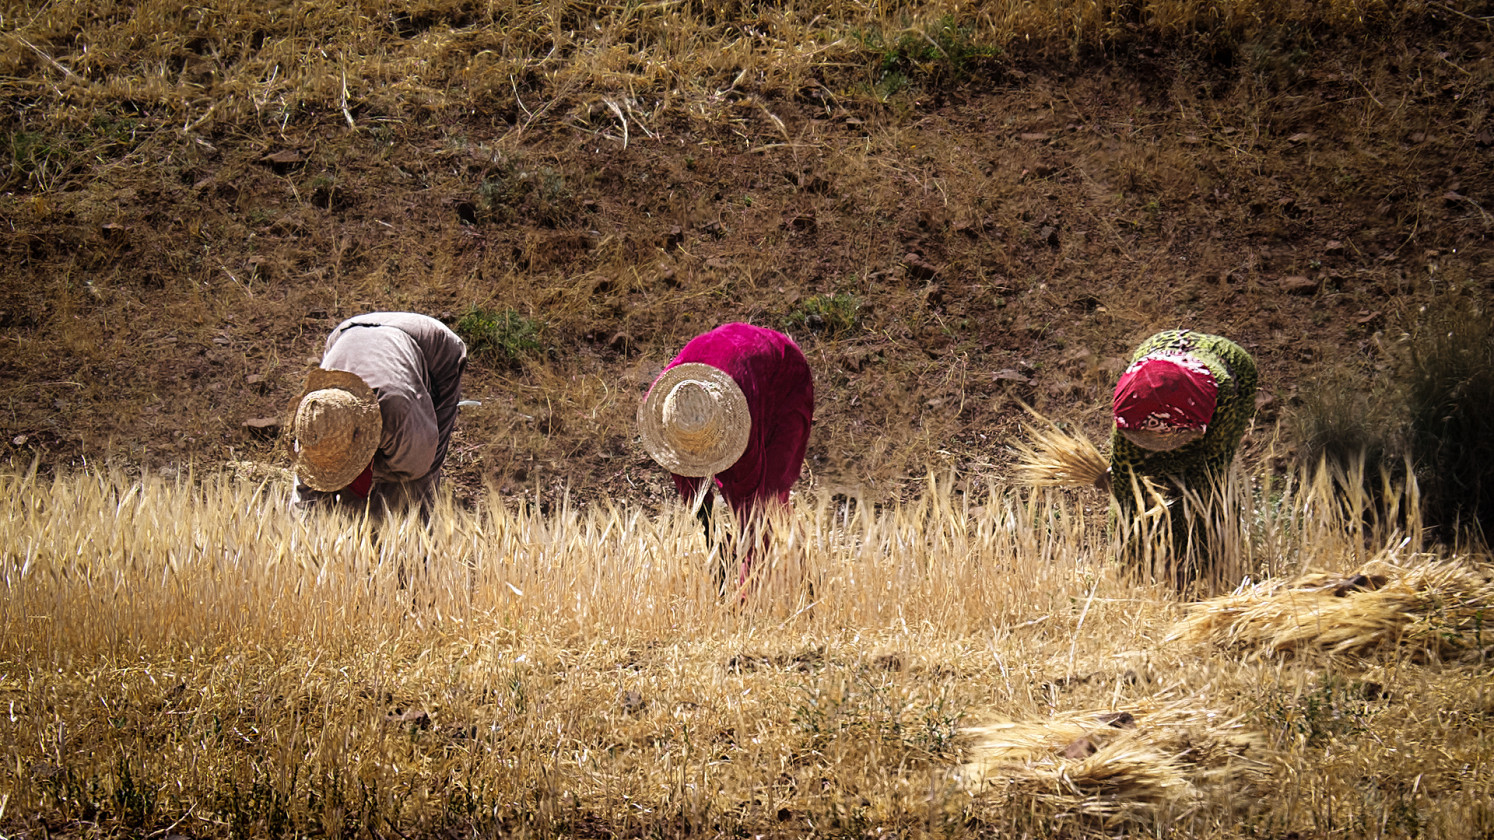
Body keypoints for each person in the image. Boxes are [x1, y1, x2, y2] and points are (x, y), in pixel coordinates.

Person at [638, 323, 814, 593]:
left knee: (767, 501)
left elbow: (753, 513)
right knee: (759, 512)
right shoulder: (672, 407)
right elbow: (687, 481)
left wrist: (741, 599)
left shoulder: (741, 432)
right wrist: (712, 538)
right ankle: (804, 581)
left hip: (783, 376)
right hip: (732, 363)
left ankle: (796, 585)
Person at [1108, 329, 1258, 580]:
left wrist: (1159, 478)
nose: (1159, 445)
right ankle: (1134, 564)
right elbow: (1124, 486)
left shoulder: (1223, 396)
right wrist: (1126, 548)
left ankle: (1211, 562)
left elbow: (1209, 459)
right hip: (1158, 350)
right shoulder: (1130, 408)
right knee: (1132, 481)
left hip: (1230, 370)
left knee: (1209, 482)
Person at [290, 312, 468, 520]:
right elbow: (305, 499)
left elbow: (416, 468)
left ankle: (416, 537)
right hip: (347, 333)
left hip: (432, 348)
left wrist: (358, 487)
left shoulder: (397, 412)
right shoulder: (314, 419)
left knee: (413, 487)